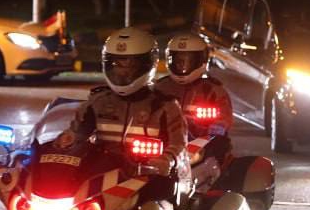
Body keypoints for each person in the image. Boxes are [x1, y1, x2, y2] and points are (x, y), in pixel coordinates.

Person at [63, 28, 188, 198]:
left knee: (158, 208)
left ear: (148, 65)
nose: (122, 72)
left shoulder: (165, 105)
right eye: (116, 65)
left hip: (148, 179)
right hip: (100, 177)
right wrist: (63, 142)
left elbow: (178, 144)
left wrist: (167, 159)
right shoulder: (97, 102)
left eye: (130, 66)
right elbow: (76, 136)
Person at [155, 33, 234, 182]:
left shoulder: (213, 90)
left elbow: (224, 118)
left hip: (201, 142)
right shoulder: (160, 87)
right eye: (178, 61)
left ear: (201, 60)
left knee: (220, 145)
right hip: (168, 141)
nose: (182, 66)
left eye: (188, 61)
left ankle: (216, 183)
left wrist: (216, 129)